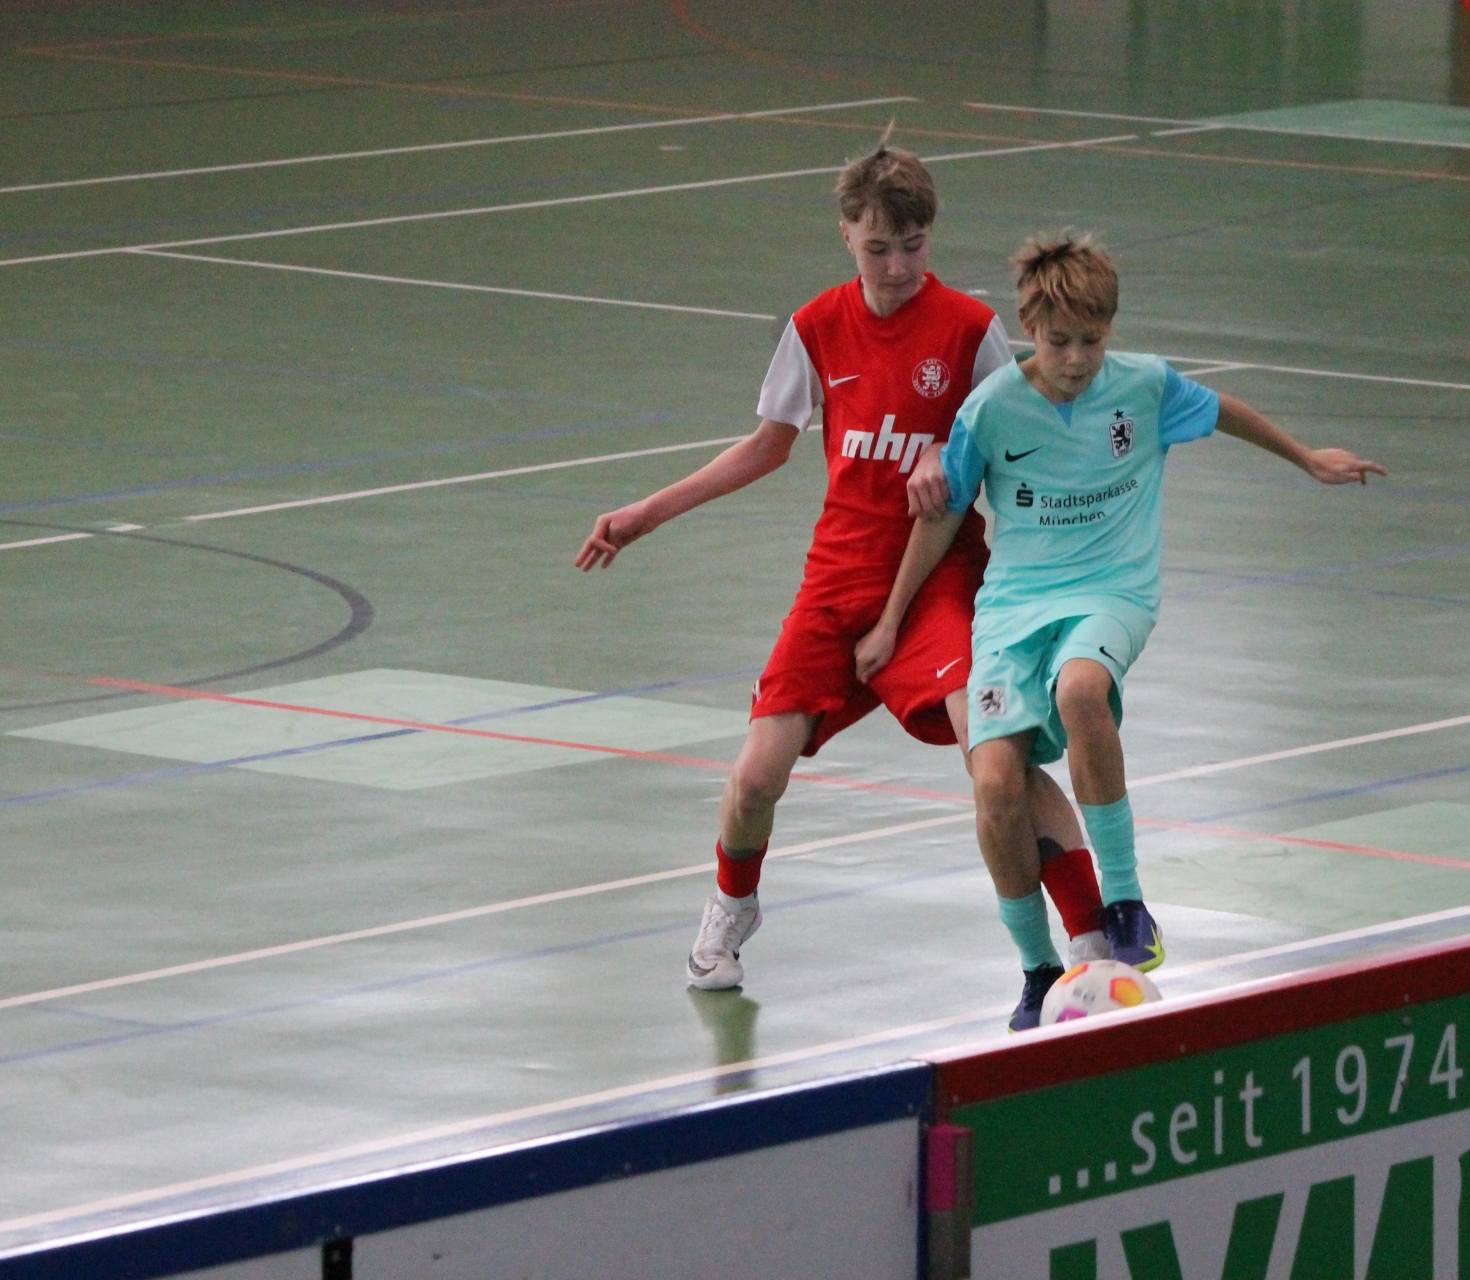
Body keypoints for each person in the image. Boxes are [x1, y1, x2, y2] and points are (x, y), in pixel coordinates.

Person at [576, 138, 1109, 991]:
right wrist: (647, 513)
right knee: (755, 778)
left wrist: (953, 458)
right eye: (877, 248)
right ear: (846, 237)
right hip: (838, 581)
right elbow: (766, 446)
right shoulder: (816, 328)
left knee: (995, 757)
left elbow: (1014, 443)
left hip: (937, 582)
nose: (896, 267)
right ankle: (732, 908)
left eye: (913, 247)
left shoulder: (969, 331)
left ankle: (1090, 939)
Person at [856, 231, 1385, 1029]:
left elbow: (1223, 411)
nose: (1076, 359)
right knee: (995, 785)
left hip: (1112, 591)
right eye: (1059, 342)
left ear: (1110, 331)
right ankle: (1037, 968)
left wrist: (1305, 457)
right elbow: (943, 515)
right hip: (1012, 608)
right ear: (1029, 329)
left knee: (1081, 690)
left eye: (1092, 341)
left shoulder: (1144, 387)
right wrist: (892, 619)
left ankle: (1127, 900)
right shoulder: (991, 408)